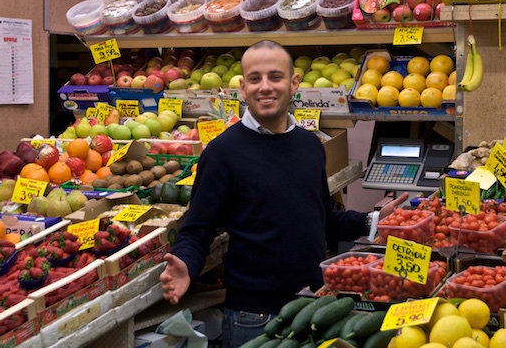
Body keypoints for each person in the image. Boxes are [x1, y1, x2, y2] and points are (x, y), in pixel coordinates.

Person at [160, 40, 397, 348]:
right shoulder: (222, 153)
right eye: (255, 79)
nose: (265, 87)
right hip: (254, 317)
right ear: (243, 87)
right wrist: (186, 265)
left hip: (312, 306)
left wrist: (374, 221)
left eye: (275, 77)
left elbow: (320, 217)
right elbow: (197, 229)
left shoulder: (310, 146)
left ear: (293, 83)